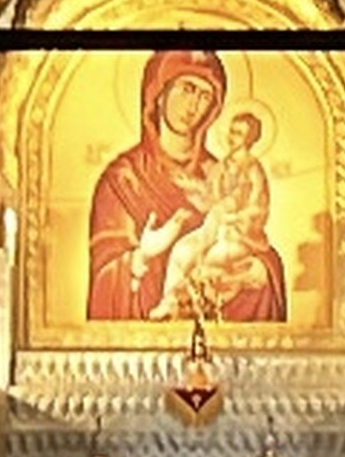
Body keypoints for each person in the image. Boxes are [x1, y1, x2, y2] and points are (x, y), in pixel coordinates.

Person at [87, 49, 284, 323]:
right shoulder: (123, 179)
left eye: (205, 96)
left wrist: (259, 272)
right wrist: (141, 257)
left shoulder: (223, 174)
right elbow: (105, 277)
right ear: (159, 92)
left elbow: (256, 243)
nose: (194, 105)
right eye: (187, 89)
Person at [169, 108, 287, 322]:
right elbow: (209, 200)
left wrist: (235, 219)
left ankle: (207, 311)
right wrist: (192, 188)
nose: (232, 138)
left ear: (249, 139)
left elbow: (258, 208)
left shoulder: (253, 169)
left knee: (210, 260)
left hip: (240, 235)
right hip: (213, 227)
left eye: (238, 134)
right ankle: (167, 302)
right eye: (231, 132)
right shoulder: (221, 166)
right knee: (181, 250)